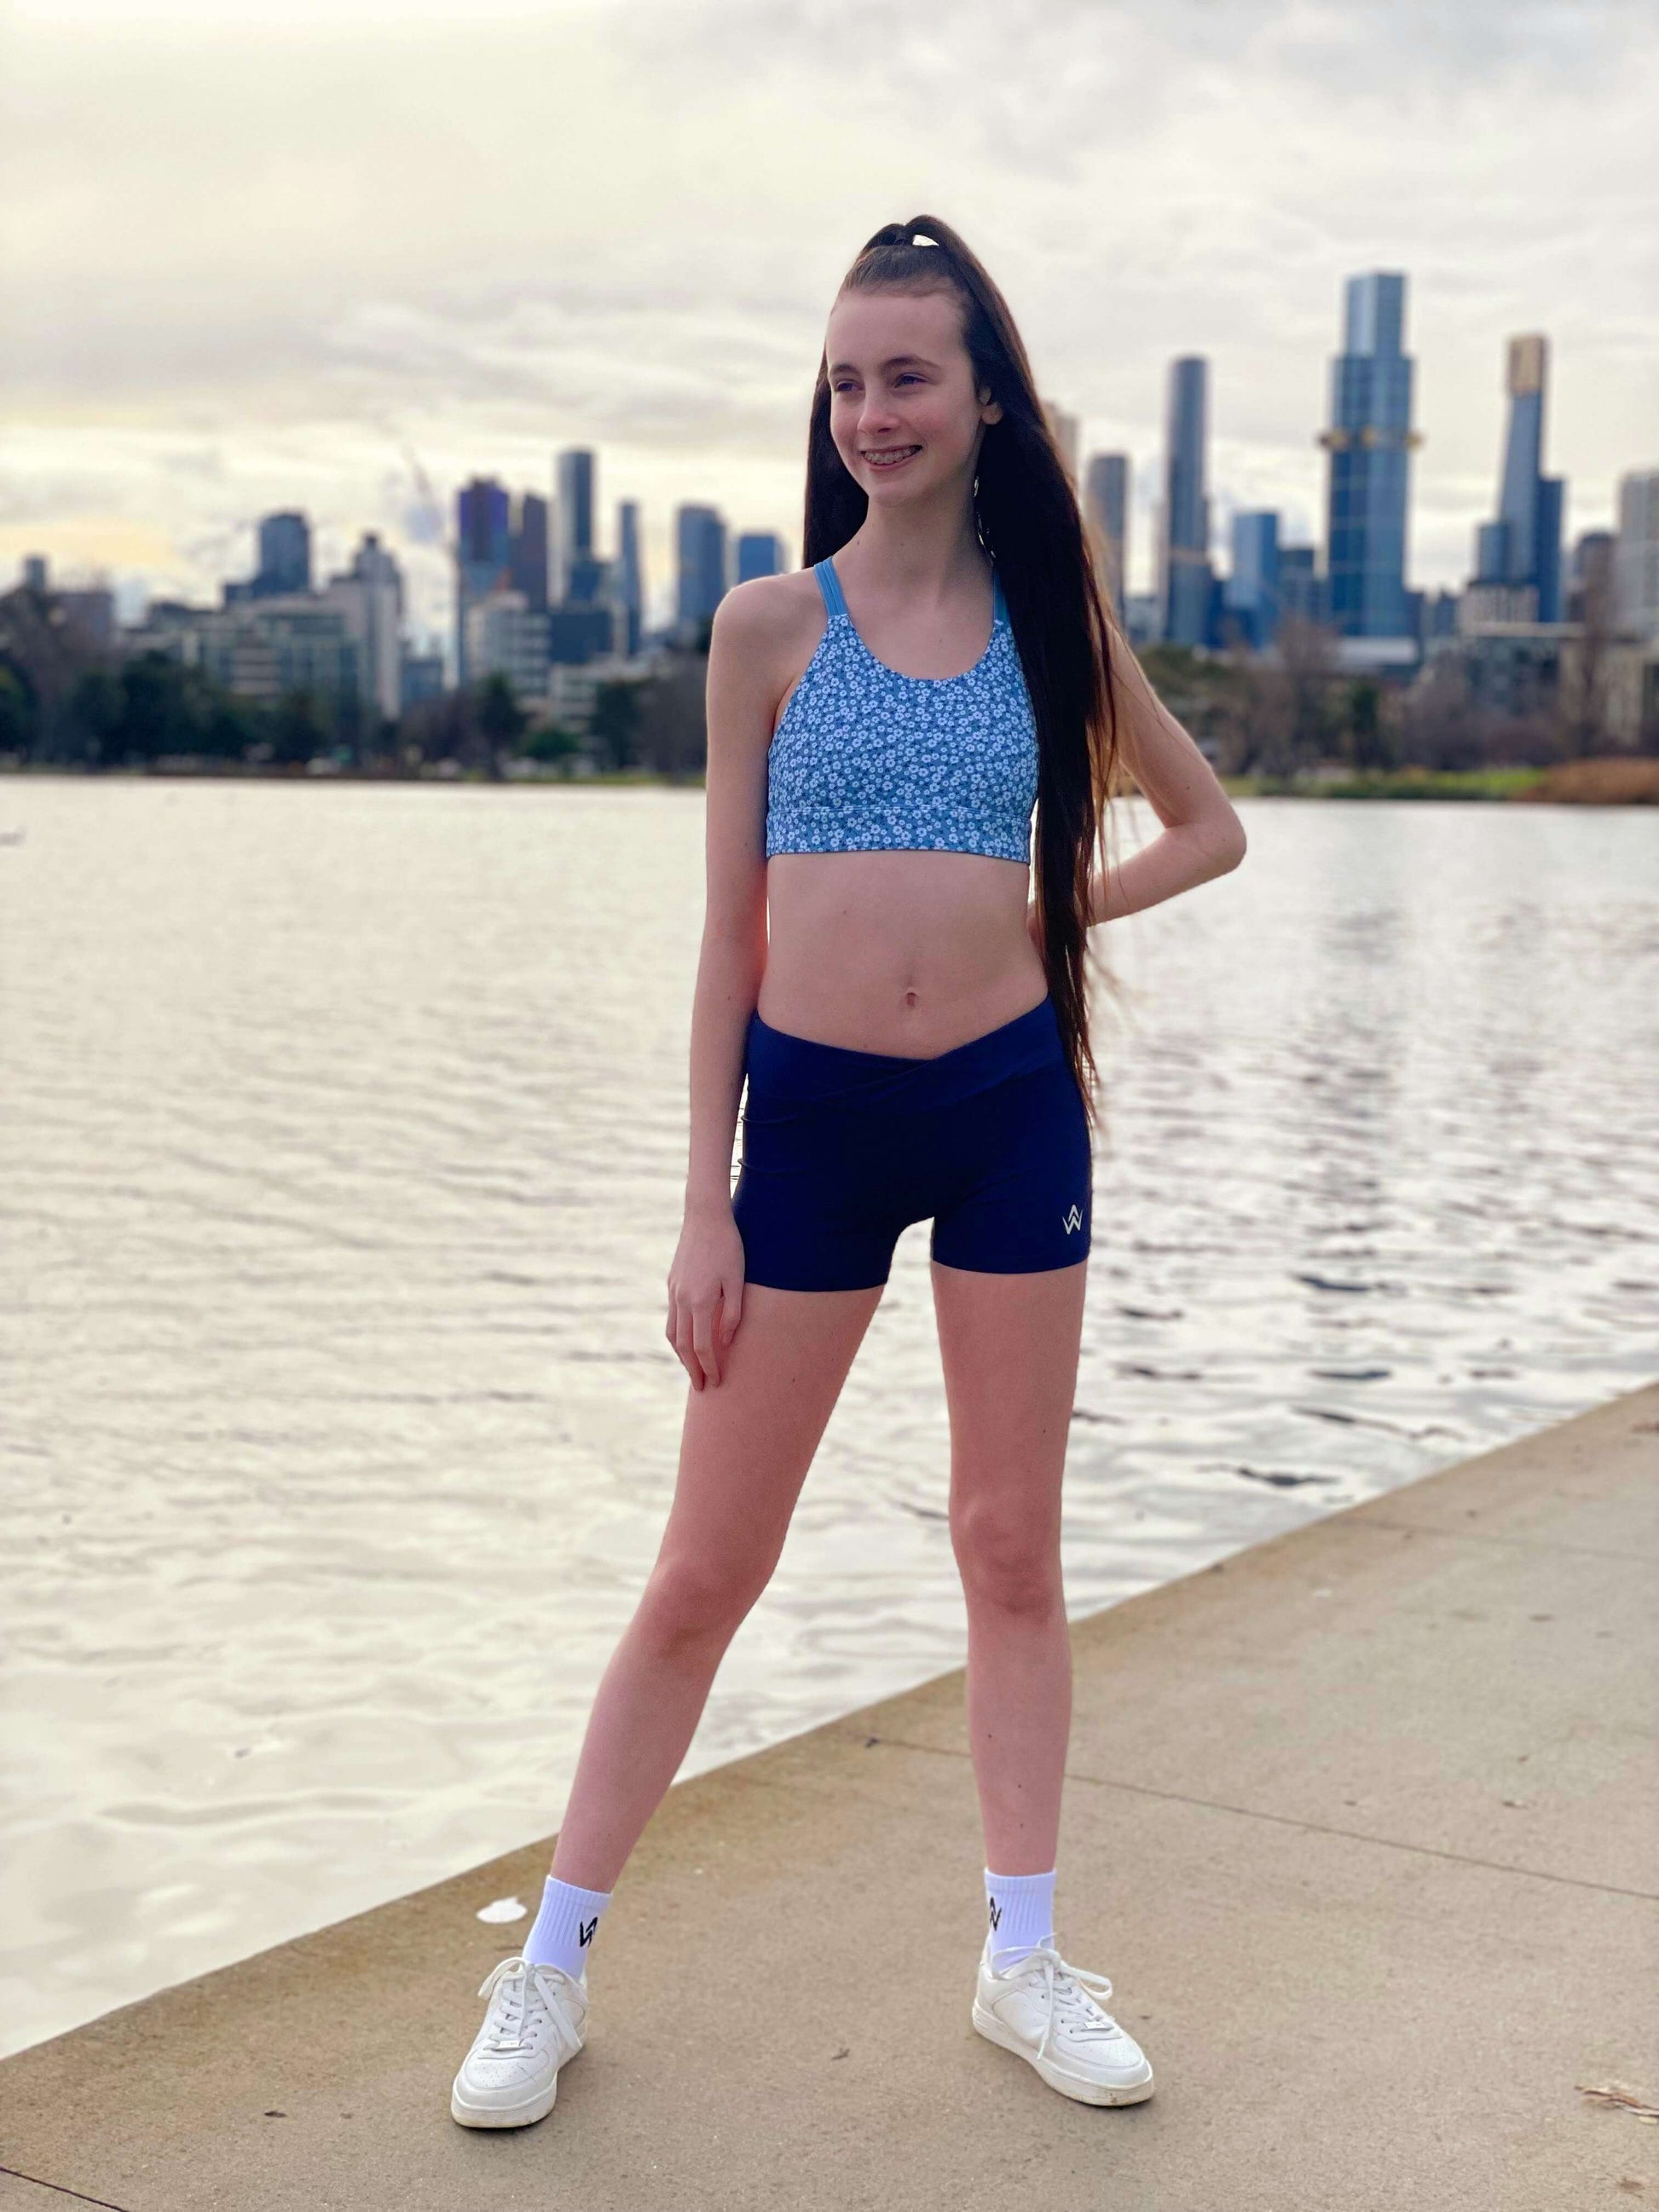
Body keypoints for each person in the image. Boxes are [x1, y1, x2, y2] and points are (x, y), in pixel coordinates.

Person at [449, 215, 1246, 2132]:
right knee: (705, 1568)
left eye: (908, 374)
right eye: (846, 379)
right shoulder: (764, 628)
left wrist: (1063, 913)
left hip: (1003, 1113)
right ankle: (543, 1968)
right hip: (801, 1129)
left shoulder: (1055, 619)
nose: (872, 409)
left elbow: (1209, 827)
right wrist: (698, 1197)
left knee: (1005, 1545)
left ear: (985, 400)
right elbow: (726, 937)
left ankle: (1024, 1955)